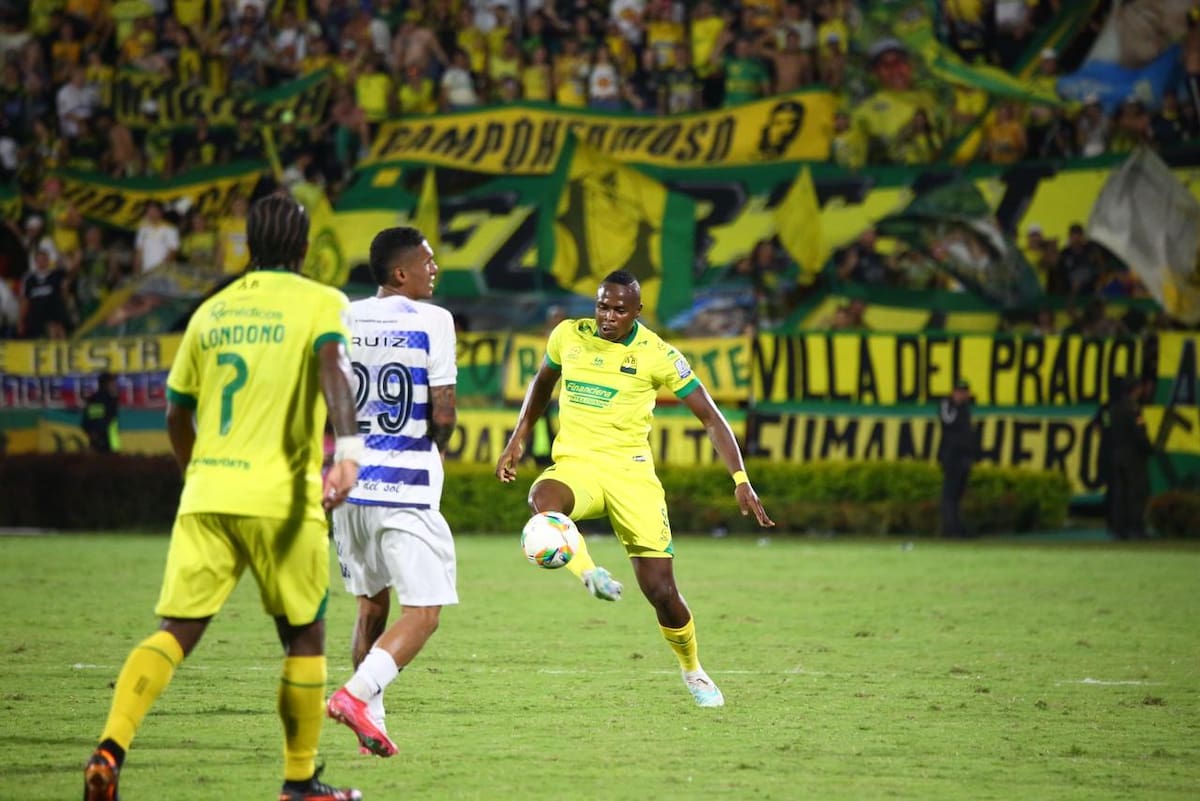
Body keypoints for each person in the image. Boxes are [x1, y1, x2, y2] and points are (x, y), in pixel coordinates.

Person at [83, 195, 365, 801]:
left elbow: (175, 410)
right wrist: (348, 452)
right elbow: (333, 367)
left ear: (248, 244)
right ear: (304, 246)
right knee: (304, 636)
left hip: (208, 491)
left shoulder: (209, 313)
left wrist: (196, 472)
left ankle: (110, 747)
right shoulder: (322, 302)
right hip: (282, 498)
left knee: (176, 628)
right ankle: (299, 783)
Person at [495, 270, 774, 708]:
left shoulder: (658, 354)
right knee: (542, 502)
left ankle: (693, 670)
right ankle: (589, 573)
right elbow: (543, 383)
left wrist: (741, 480)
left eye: (619, 309)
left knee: (662, 593)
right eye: (602, 306)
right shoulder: (568, 335)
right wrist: (518, 437)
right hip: (578, 467)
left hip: (632, 477)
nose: (608, 316)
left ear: (637, 312)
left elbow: (711, 417)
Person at [325, 227, 459, 759]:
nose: (434, 269)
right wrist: (438, 450)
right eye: (427, 261)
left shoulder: (343, 315)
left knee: (371, 605)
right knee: (423, 611)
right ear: (400, 272)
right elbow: (442, 410)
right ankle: (356, 696)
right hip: (406, 481)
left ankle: (371, 722)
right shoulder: (435, 320)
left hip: (350, 482)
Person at [1107, 376, 1154, 540]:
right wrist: (1149, 448)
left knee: (1120, 494)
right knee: (1136, 493)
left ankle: (1119, 528)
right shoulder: (1133, 409)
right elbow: (1138, 434)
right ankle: (1136, 528)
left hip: (1118, 455)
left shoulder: (1114, 409)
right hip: (1133, 457)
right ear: (1135, 389)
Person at [937, 379, 976, 538]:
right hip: (951, 455)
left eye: (964, 391)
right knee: (950, 493)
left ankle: (957, 526)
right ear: (953, 392)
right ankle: (950, 528)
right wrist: (957, 404)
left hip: (964, 456)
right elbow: (948, 420)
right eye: (959, 391)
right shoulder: (947, 405)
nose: (962, 394)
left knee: (959, 493)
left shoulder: (966, 408)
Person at [80, 371, 120, 453]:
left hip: (109, 446)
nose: (116, 386)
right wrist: (98, 438)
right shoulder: (103, 400)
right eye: (113, 383)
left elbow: (86, 423)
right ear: (106, 385)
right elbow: (96, 422)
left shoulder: (108, 400)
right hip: (105, 447)